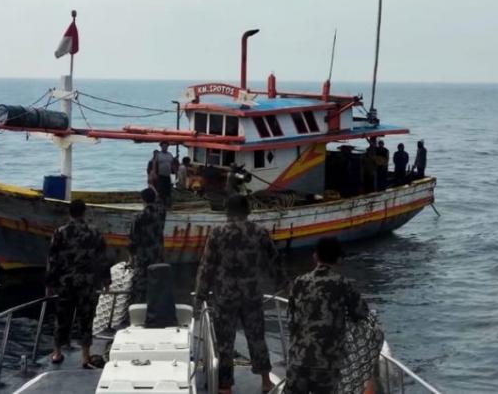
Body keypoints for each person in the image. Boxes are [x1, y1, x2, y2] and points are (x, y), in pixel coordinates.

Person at [195, 195, 285, 393]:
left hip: (224, 296)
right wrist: (281, 283)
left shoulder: (217, 233)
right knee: (257, 338)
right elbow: (274, 260)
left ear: (227, 211)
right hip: (251, 294)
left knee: (225, 343)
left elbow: (207, 266)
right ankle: (265, 381)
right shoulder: (259, 232)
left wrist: (200, 296)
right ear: (248, 210)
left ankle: (225, 386)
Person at [285, 237, 370, 393]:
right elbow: (361, 312)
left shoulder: (299, 282)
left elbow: (290, 317)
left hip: (298, 359)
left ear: (315, 256)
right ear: (339, 259)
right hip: (327, 363)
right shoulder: (342, 284)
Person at [45, 199, 111, 368]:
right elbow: (103, 258)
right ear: (84, 212)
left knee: (62, 318)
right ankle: (85, 356)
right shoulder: (94, 232)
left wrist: (50, 284)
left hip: (66, 283)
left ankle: (57, 352)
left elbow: (53, 260)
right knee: (86, 319)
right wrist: (106, 280)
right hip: (87, 284)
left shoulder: (60, 232)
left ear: (70, 213)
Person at [127, 188, 167, 303]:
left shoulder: (139, 217)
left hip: (143, 257)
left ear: (143, 200)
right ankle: (156, 309)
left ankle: (141, 310)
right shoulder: (161, 213)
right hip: (158, 255)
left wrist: (131, 257)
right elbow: (160, 202)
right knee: (157, 283)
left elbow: (132, 240)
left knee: (141, 287)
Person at [149, 142, 178, 206]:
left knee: (168, 190)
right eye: (163, 146)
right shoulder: (158, 155)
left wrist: (175, 172)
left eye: (166, 146)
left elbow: (172, 164)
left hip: (168, 175)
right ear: (161, 147)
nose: (165, 147)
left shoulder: (170, 155)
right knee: (161, 190)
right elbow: (154, 164)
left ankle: (168, 204)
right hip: (160, 175)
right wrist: (154, 173)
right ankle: (160, 203)